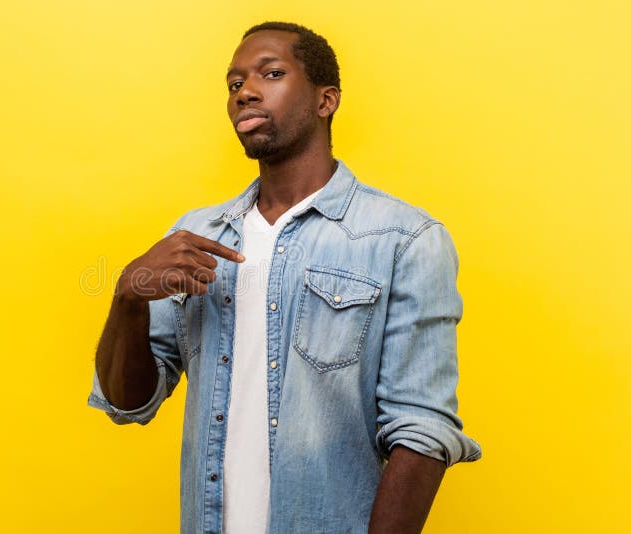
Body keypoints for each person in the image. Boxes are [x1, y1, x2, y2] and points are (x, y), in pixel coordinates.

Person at [88, 21, 481, 534]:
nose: (245, 92)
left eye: (270, 73)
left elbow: (422, 431)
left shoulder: (403, 238)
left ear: (326, 100)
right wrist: (127, 296)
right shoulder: (195, 234)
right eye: (233, 84)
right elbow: (128, 402)